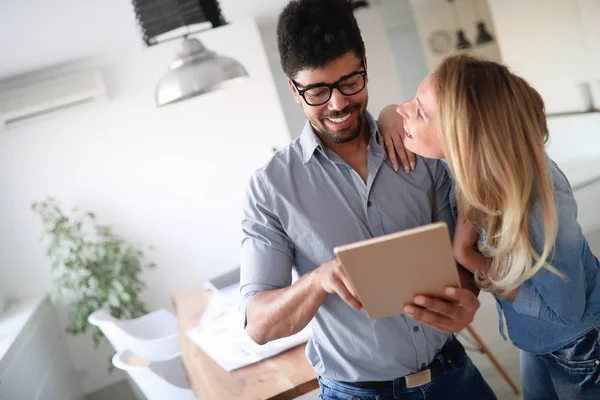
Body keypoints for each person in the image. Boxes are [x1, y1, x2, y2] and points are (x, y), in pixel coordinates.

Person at [240, 1, 498, 399]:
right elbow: (258, 326)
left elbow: (460, 256)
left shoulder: (420, 149)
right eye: (317, 91)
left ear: (364, 66)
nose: (339, 103)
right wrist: (318, 279)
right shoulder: (270, 189)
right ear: (294, 89)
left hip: (454, 377)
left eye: (349, 82)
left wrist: (466, 295)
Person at [378, 54, 600, 400]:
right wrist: (389, 113)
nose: (405, 109)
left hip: (580, 349)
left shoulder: (537, 200)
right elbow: (397, 114)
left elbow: (565, 312)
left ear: (460, 136)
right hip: (532, 339)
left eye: (419, 111)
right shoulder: (465, 164)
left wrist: (467, 256)